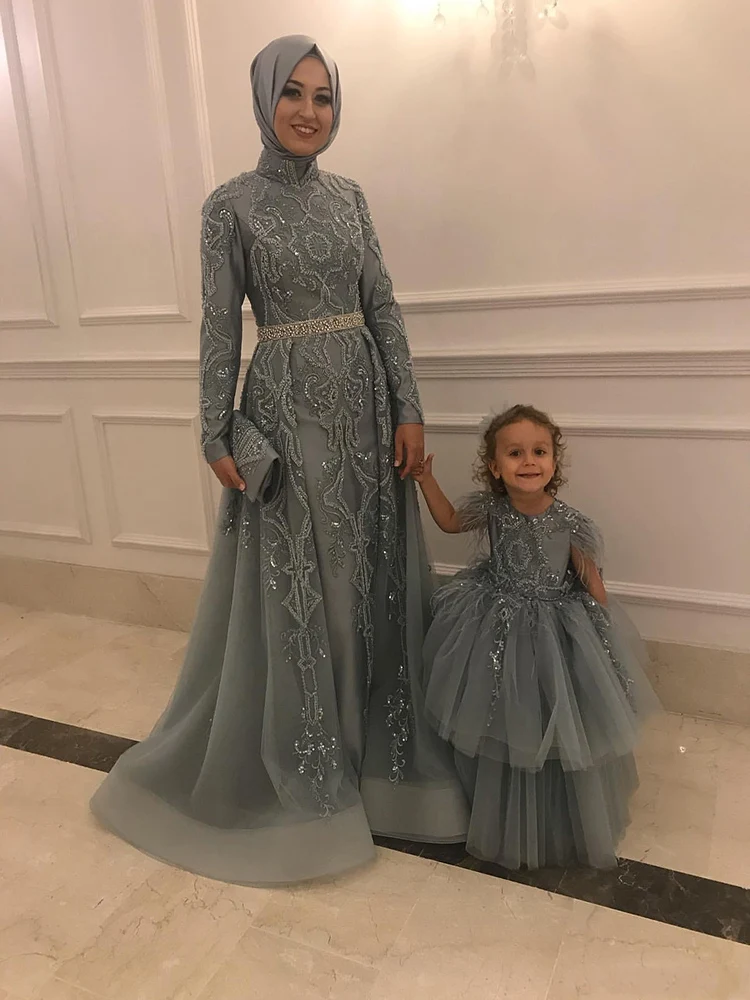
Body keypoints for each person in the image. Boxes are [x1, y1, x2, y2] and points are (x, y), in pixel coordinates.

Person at [91, 35, 468, 886]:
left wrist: (411, 407)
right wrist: (214, 431)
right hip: (289, 410)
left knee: (374, 578)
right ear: (264, 101)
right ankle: (316, 763)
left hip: (369, 410)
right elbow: (219, 325)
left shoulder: (351, 198)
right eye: (292, 93)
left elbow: (383, 306)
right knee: (318, 588)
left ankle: (378, 759)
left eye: (323, 96)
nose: (308, 110)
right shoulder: (229, 206)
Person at [412, 404, 659, 869]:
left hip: (553, 626)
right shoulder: (492, 509)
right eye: (515, 453)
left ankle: (557, 808)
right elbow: (449, 521)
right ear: (494, 466)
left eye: (539, 452)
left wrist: (599, 633)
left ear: (554, 461)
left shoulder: (570, 522)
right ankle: (492, 800)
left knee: (550, 710)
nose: (528, 462)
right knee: (500, 709)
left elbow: (591, 579)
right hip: (494, 619)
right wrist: (426, 479)